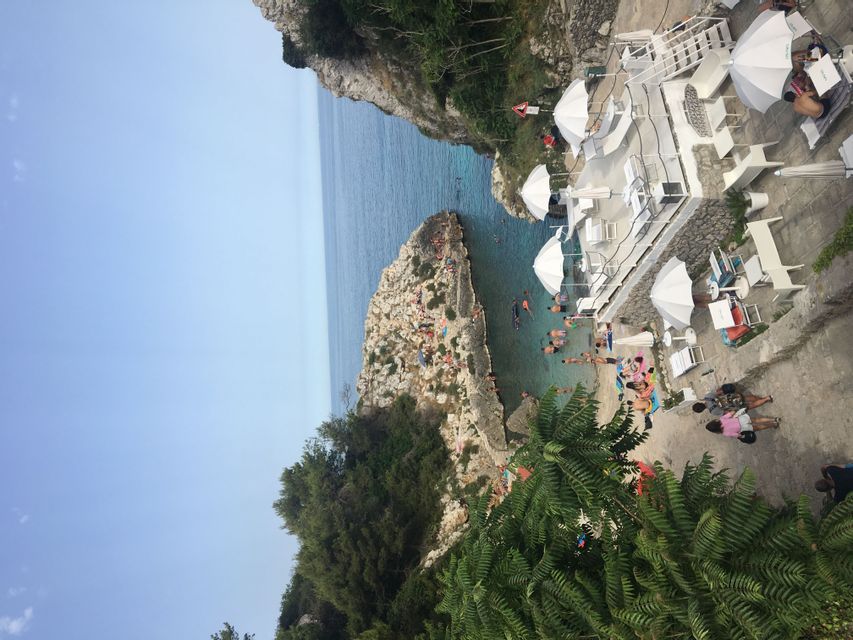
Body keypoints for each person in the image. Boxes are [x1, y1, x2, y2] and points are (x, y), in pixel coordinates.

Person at [705, 412, 779, 441]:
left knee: (758, 427)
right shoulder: (722, 419)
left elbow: (736, 434)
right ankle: (774, 419)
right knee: (757, 420)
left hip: (743, 428)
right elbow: (731, 413)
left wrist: (740, 436)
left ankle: (774, 424)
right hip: (741, 419)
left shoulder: (725, 433)